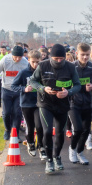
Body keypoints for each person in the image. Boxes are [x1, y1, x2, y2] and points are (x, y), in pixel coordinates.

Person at [29, 44, 81, 174]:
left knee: (59, 133)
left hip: (62, 104)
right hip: (45, 103)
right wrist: (43, 88)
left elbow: (77, 85)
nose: (59, 61)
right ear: (51, 57)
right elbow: (32, 81)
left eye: (61, 58)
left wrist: (68, 93)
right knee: (47, 132)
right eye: (56, 58)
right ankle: (49, 160)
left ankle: (57, 156)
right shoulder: (43, 65)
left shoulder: (70, 67)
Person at [67, 43, 92, 165]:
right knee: (77, 129)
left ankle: (80, 152)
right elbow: (64, 84)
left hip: (87, 103)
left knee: (86, 130)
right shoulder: (70, 67)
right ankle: (72, 149)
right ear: (77, 54)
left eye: (87, 55)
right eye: (82, 55)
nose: (85, 57)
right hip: (73, 103)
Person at [0, 46, 29, 140]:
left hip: (18, 90)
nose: (18, 59)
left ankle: (15, 133)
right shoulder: (5, 60)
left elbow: (29, 75)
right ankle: (7, 130)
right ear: (12, 54)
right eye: (16, 57)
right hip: (6, 89)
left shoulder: (25, 62)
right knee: (6, 113)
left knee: (17, 112)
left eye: (20, 57)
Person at [15, 50, 45, 159]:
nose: (35, 64)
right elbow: (14, 86)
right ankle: (31, 143)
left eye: (38, 62)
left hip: (39, 103)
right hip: (26, 104)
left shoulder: (43, 72)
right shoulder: (23, 73)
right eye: (33, 62)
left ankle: (41, 147)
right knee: (30, 126)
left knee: (40, 126)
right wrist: (24, 89)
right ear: (28, 60)